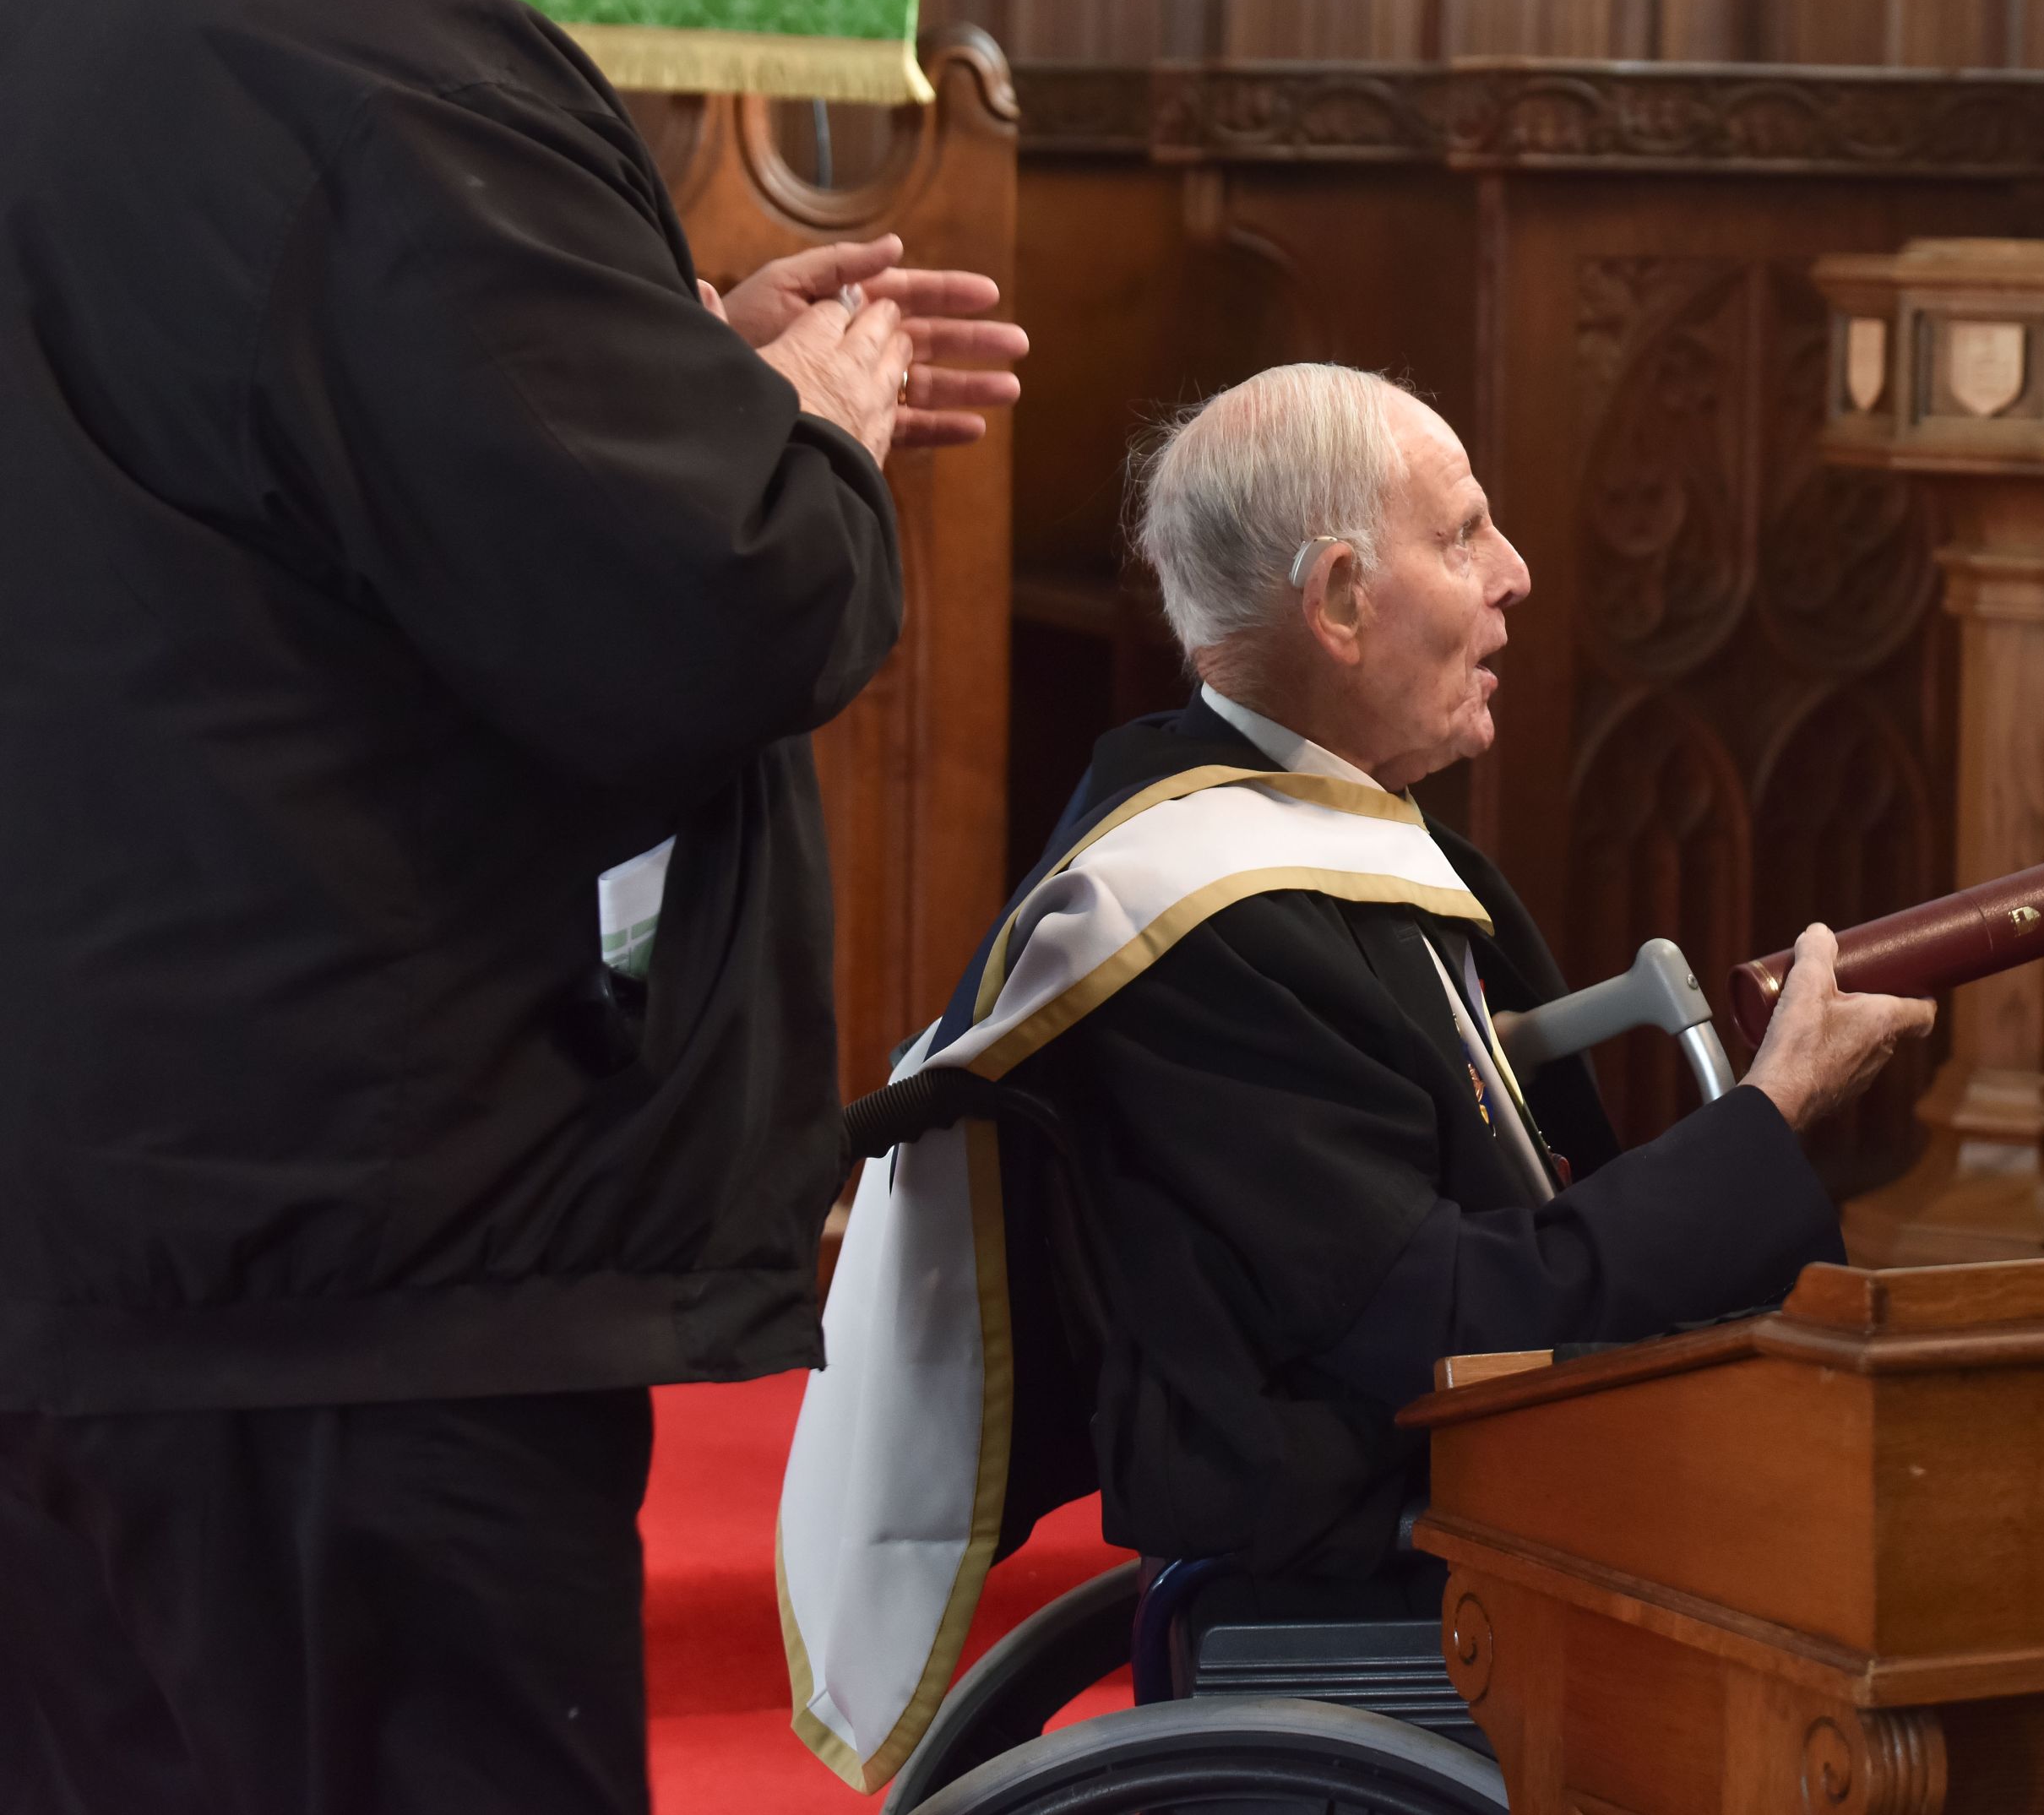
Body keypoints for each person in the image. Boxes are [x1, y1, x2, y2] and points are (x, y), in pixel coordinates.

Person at [0, 0, 1025, 1810]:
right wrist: (806, 428)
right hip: (357, 1284)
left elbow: (290, 479)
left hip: (142, 1220)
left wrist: (661, 359)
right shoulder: (379, 35)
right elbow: (725, 603)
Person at [778, 365, 1930, 1784]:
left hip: (1495, 1498)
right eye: (1462, 535)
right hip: (1395, 1560)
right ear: (1335, 602)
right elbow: (1452, 1320)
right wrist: (1773, 1111)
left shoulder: (1333, 838)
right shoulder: (1202, 916)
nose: (1513, 574)